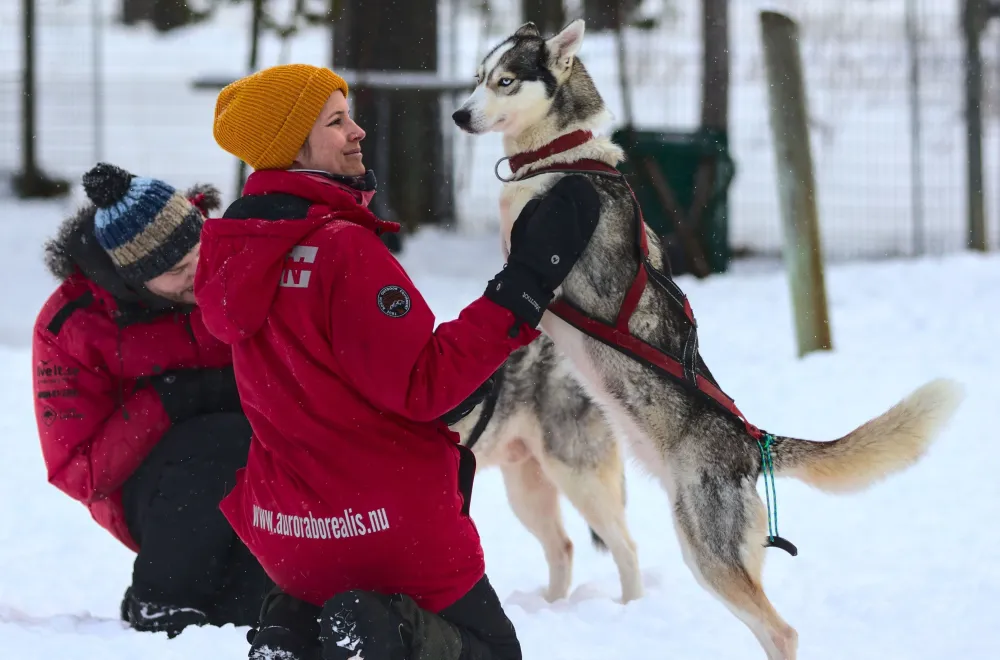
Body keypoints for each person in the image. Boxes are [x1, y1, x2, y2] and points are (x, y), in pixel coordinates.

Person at [194, 63, 601, 660]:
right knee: (491, 651)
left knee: (324, 597)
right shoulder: (341, 248)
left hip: (287, 533)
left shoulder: (235, 253)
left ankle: (292, 629)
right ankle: (380, 628)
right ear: (294, 148)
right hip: (383, 528)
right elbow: (424, 384)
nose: (357, 131)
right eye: (336, 122)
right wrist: (524, 286)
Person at [32, 163, 273, 637]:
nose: (197, 275)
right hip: (150, 487)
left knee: (252, 610)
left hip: (257, 465)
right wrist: (170, 400)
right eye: (176, 272)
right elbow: (78, 470)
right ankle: (162, 598)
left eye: (199, 255)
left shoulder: (236, 264)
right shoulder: (73, 324)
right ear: (135, 279)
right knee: (221, 443)